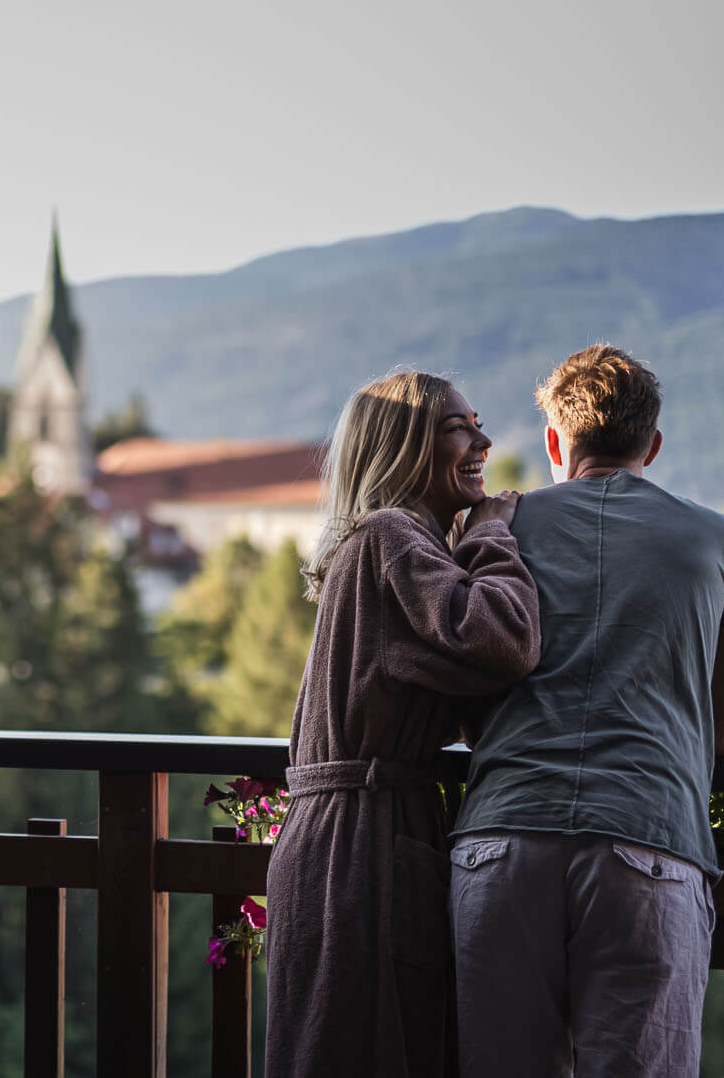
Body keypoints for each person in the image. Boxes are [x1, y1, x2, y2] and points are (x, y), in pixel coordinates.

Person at [447, 345, 724, 1077]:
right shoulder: (719, 541)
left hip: (501, 841)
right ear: (651, 444)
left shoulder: (496, 529)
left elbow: (465, 703)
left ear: (557, 442)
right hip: (648, 843)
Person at [266, 370, 542, 1077]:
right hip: (367, 847)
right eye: (459, 426)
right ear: (404, 445)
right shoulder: (393, 536)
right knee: (378, 1042)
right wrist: (490, 538)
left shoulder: (385, 544)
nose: (482, 440)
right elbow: (504, 637)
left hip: (343, 841)